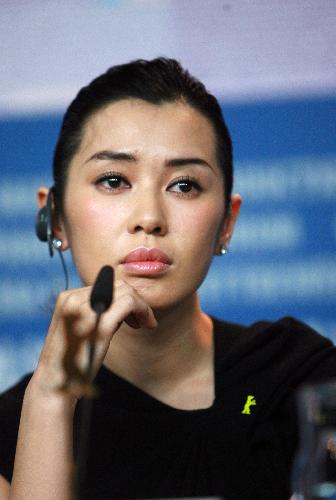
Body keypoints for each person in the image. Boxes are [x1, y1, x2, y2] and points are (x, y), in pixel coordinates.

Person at [0, 57, 335, 500]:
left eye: (184, 186)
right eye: (114, 180)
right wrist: (51, 398)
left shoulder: (296, 377)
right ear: (55, 217)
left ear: (227, 224)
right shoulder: (10, 425)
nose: (149, 219)